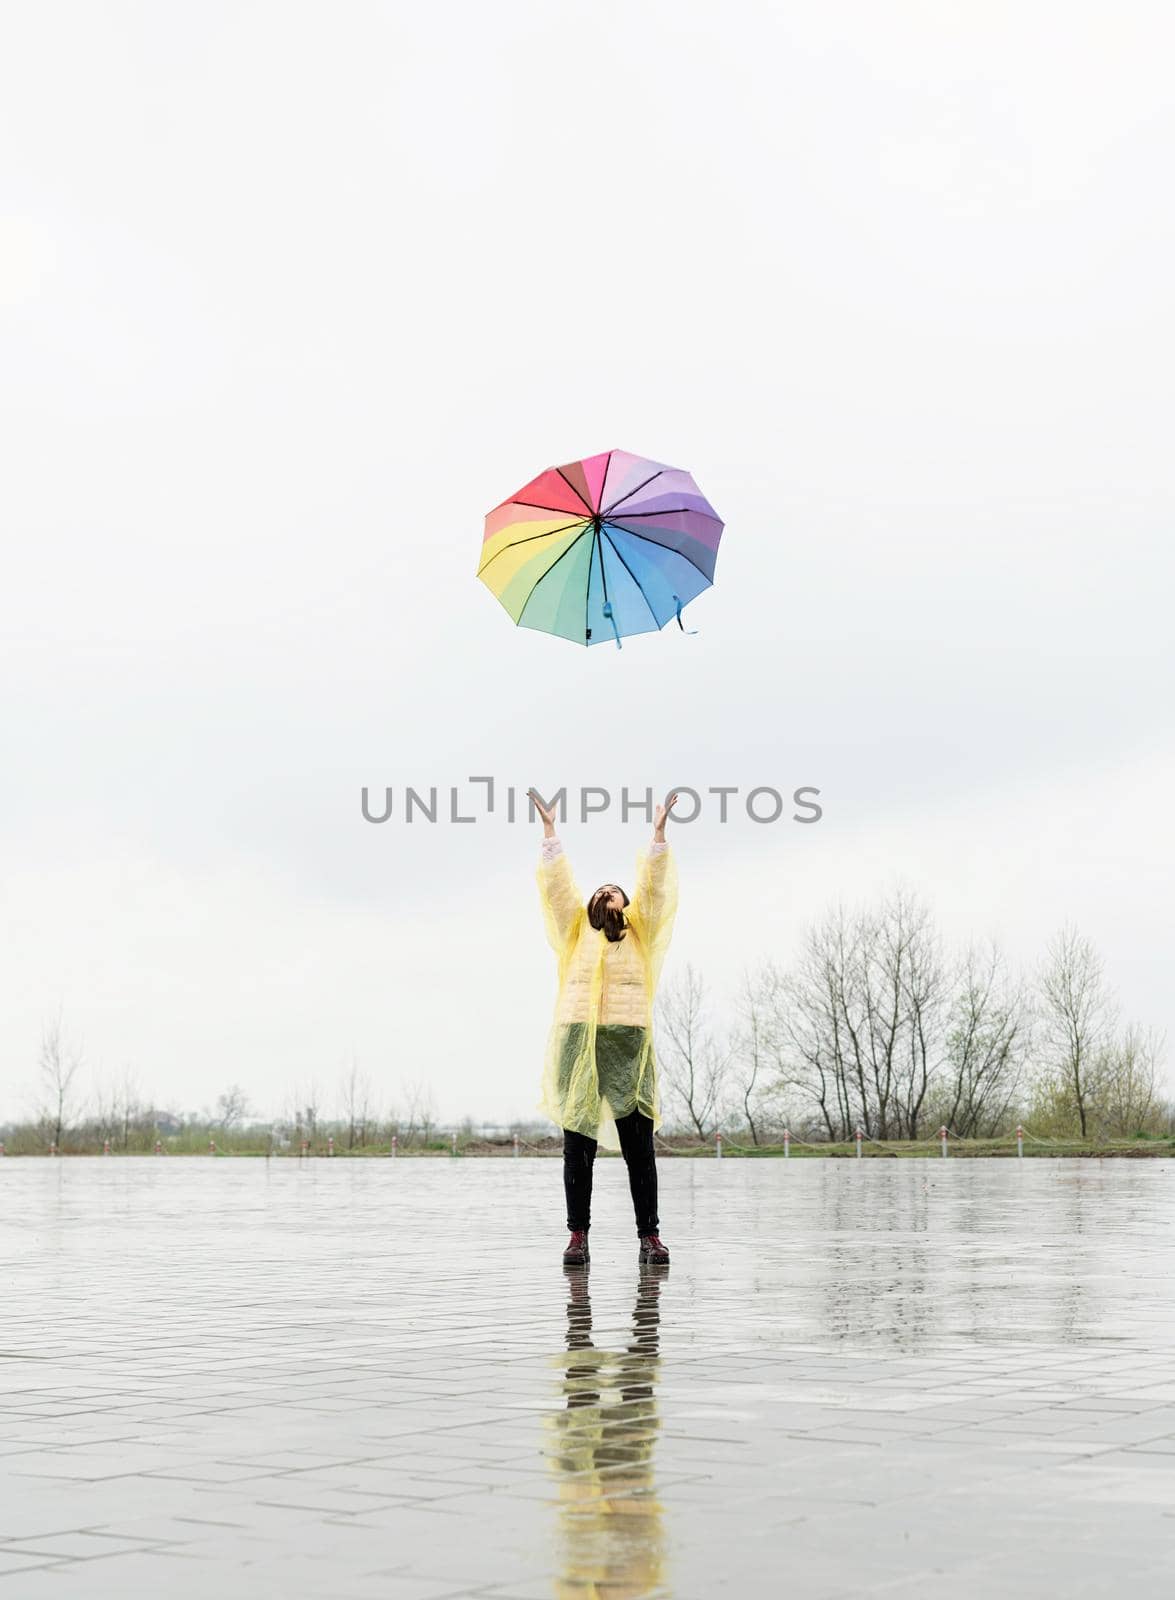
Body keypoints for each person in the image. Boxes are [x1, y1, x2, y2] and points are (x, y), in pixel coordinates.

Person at [530, 787, 679, 1267]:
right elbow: (558, 891)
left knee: (639, 1146)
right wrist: (550, 833)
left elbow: (655, 889)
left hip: (627, 1041)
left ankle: (649, 1238)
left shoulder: (641, 930)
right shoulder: (576, 931)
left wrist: (657, 836)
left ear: (625, 903)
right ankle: (578, 1236)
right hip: (579, 1038)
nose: (602, 892)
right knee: (579, 1144)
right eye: (598, 890)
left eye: (612, 889)